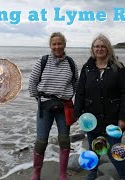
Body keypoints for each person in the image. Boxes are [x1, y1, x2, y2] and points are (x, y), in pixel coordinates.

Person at [74, 34, 125, 180]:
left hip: (113, 118)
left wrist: (123, 118)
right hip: (91, 118)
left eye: (102, 46)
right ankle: (92, 173)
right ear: (92, 49)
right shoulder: (87, 68)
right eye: (96, 46)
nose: (99, 49)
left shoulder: (118, 67)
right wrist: (78, 114)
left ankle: (124, 176)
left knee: (115, 152)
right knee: (94, 150)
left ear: (108, 48)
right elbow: (80, 92)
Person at [28, 32, 79, 180]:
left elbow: (76, 83)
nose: (57, 47)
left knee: (64, 140)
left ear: (64, 44)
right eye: (54, 44)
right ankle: (36, 173)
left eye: (59, 43)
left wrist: (68, 96)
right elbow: (32, 83)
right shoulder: (42, 61)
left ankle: (62, 174)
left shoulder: (70, 63)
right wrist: (40, 99)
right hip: (45, 107)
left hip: (64, 107)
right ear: (50, 45)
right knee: (41, 141)